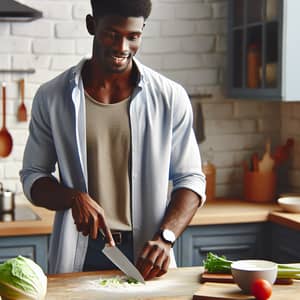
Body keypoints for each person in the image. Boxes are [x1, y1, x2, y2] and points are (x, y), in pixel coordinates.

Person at [20, 0, 206, 280]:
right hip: (79, 254)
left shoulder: (170, 97)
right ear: (92, 25)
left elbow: (191, 179)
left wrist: (165, 238)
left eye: (133, 36)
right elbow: (33, 177)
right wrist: (73, 198)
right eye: (112, 34)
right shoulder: (52, 97)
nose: (122, 47)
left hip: (147, 252)